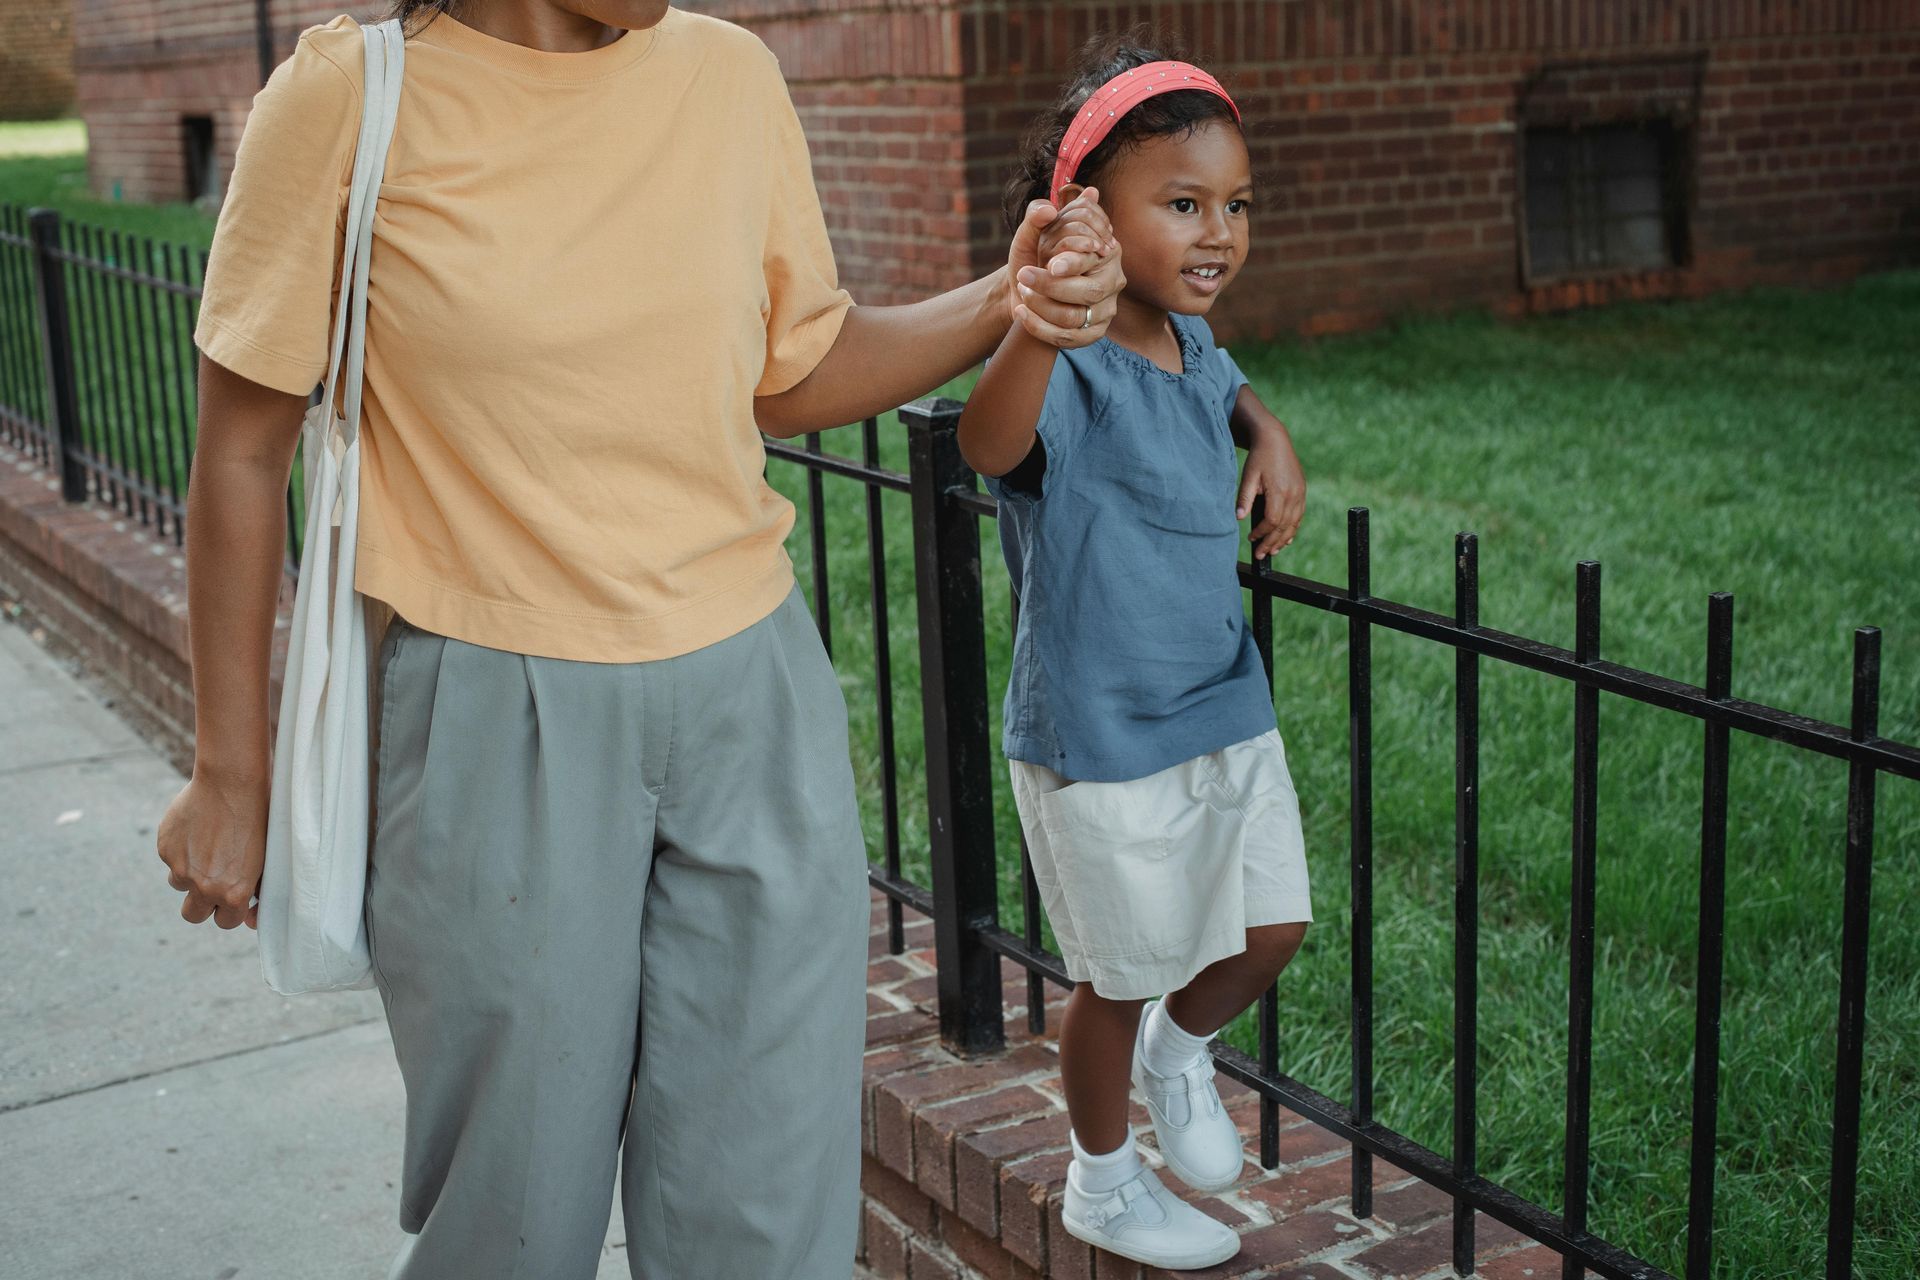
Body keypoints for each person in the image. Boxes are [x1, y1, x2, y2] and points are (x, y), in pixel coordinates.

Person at [151, 1, 1128, 1276]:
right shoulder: (347, 95)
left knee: (769, 1219)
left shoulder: (730, 76)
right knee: (511, 1222)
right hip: (497, 714)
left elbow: (795, 368)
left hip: (753, 695)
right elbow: (239, 451)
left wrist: (1011, 297)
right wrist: (230, 769)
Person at [956, 34, 1313, 1273]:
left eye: (1235, 205)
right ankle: (1103, 1182)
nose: (1218, 233)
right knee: (1118, 973)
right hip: (1100, 730)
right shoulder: (1072, 356)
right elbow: (988, 446)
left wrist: (1268, 432)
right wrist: (1041, 319)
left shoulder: (1194, 342)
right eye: (1182, 205)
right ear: (1092, 218)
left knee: (1272, 927)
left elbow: (1222, 390)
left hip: (1223, 699)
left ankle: (1182, 1049)